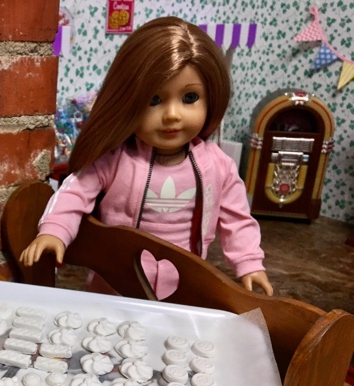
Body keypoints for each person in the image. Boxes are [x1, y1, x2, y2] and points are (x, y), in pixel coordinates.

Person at [20, 16, 273, 298]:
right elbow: (74, 192)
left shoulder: (217, 165)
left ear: (211, 97)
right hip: (116, 286)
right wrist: (54, 231)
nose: (172, 115)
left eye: (190, 98)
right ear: (127, 102)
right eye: (154, 100)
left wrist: (249, 263)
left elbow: (237, 219)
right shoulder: (115, 160)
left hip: (184, 286)